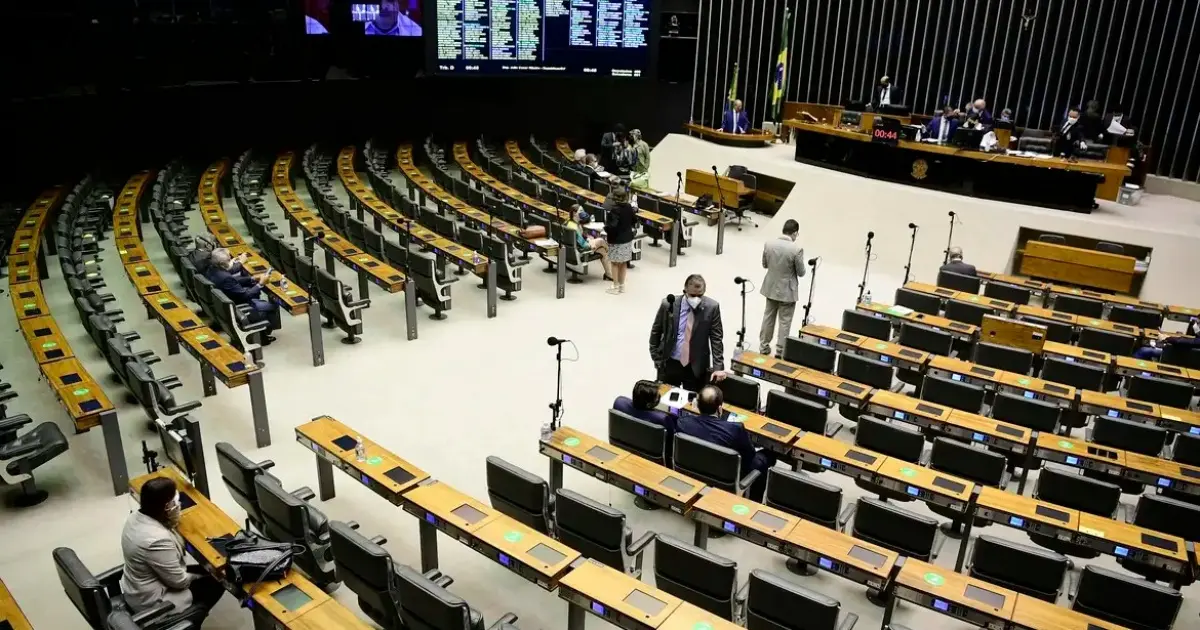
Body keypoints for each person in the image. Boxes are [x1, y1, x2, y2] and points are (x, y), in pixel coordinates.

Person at [120, 477, 225, 624]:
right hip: (152, 601)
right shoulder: (157, 540)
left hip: (137, 586)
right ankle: (190, 619)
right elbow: (180, 582)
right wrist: (198, 577)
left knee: (205, 572)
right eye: (176, 502)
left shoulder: (134, 518)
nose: (179, 505)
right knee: (219, 580)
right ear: (167, 507)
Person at [675, 385, 775, 501]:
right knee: (765, 457)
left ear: (696, 405)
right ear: (720, 409)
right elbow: (749, 456)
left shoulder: (682, 423)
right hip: (725, 479)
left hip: (692, 471)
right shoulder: (735, 429)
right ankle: (753, 502)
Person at [650, 274, 730, 391]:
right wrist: (656, 357)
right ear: (685, 291)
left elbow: (716, 338)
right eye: (692, 295)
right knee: (666, 395)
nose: (696, 299)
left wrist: (718, 367)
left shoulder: (712, 307)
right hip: (671, 362)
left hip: (695, 365)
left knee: (693, 399)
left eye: (700, 295)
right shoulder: (668, 304)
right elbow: (656, 331)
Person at [205, 248, 280, 344]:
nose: (231, 261)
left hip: (225, 303)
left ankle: (262, 332)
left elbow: (232, 281)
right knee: (273, 306)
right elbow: (245, 296)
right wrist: (260, 284)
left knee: (253, 290)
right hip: (238, 307)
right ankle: (263, 336)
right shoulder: (225, 277)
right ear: (223, 263)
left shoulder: (212, 269)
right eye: (229, 259)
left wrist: (252, 278)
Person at [759, 219, 806, 357]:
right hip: (787, 291)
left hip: (771, 287)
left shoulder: (768, 244)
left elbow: (765, 265)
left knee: (768, 317)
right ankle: (780, 351)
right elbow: (801, 272)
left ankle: (763, 346)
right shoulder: (796, 249)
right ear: (795, 233)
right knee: (785, 321)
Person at [604, 187, 637, 294]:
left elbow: (612, 226)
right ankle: (622, 286)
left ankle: (615, 286)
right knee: (623, 263)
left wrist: (605, 229)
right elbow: (634, 220)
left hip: (616, 240)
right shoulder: (629, 207)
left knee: (614, 263)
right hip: (627, 239)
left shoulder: (614, 210)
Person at [567, 205, 613, 282]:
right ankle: (611, 253)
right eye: (580, 211)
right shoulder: (574, 228)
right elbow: (583, 245)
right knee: (601, 241)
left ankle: (608, 274)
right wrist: (591, 244)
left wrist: (588, 238)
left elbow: (580, 238)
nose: (583, 213)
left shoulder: (570, 222)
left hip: (574, 249)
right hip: (580, 251)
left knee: (602, 251)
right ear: (574, 213)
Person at [1134, 320, 1199, 360]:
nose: (1196, 325)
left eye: (1198, 323)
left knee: (1143, 351)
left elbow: (1182, 341)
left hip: (1182, 356)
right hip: (1184, 353)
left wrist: (1166, 338)